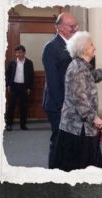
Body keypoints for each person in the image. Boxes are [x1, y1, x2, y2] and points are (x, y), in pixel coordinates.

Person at [52, 31, 102, 172]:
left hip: (82, 126)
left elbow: (94, 76)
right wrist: (94, 117)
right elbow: (79, 98)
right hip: (77, 128)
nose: (94, 47)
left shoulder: (82, 66)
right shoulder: (77, 69)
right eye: (91, 45)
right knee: (79, 167)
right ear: (84, 49)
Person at [42, 12, 78, 168]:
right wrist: (63, 106)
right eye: (72, 26)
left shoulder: (73, 45)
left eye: (76, 25)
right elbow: (53, 82)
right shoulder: (51, 47)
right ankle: (55, 174)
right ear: (60, 27)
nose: (75, 29)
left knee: (69, 142)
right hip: (59, 106)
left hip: (71, 103)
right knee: (58, 142)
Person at [5, 45, 34, 131]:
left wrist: (29, 87)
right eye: (17, 52)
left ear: (24, 53)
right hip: (14, 86)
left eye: (20, 52)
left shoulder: (29, 63)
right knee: (11, 107)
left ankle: (23, 125)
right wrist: (8, 85)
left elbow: (31, 76)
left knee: (24, 107)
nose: (18, 54)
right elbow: (7, 74)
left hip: (24, 87)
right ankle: (9, 124)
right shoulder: (12, 62)